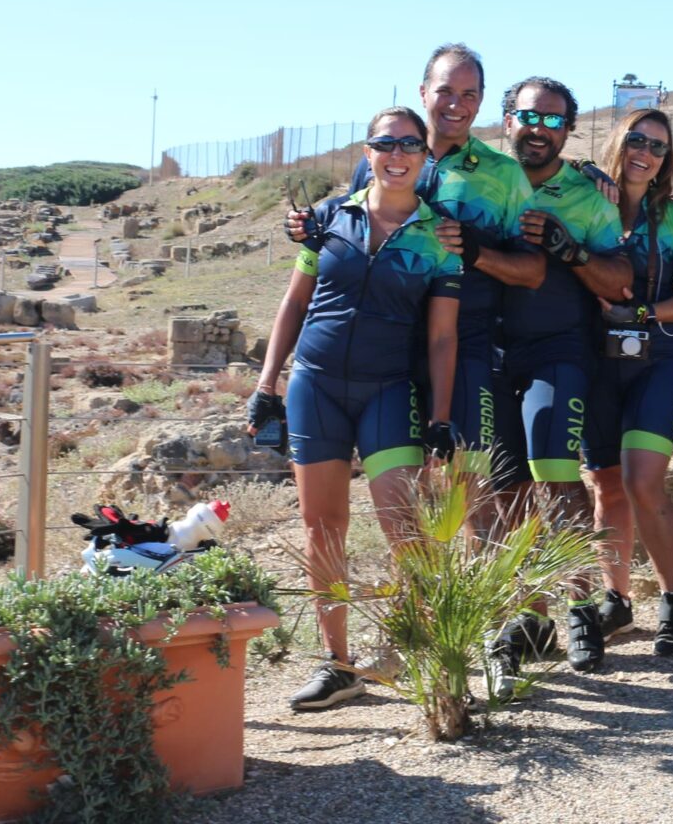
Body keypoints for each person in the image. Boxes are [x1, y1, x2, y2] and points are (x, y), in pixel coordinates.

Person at [248, 107, 460, 711]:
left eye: (410, 144)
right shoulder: (325, 219)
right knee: (323, 526)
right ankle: (338, 663)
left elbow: (443, 337)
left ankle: (421, 648)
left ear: (424, 157)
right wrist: (268, 384)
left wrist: (440, 417)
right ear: (367, 152)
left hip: (389, 388)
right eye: (385, 142)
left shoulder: (440, 236)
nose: (397, 153)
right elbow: (294, 303)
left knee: (404, 526)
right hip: (314, 386)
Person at [296, 44, 543, 490]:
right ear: (423, 91)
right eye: (446, 90)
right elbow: (340, 231)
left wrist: (477, 252)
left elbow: (534, 271)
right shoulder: (381, 158)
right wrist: (301, 224)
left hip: (465, 346)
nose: (457, 104)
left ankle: (475, 564)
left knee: (471, 493)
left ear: (482, 100)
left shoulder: (503, 175)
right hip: (387, 355)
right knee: (408, 501)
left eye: (470, 94)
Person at [482, 77, 635, 694]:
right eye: (526, 115)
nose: (536, 128)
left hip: (559, 352)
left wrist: (572, 252)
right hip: (487, 355)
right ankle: (529, 617)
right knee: (509, 493)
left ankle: (579, 612)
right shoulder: (480, 176)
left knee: (558, 477)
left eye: (551, 120)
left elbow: (620, 281)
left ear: (569, 131)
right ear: (507, 119)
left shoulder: (588, 192)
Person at [585, 108, 673, 656]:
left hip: (658, 362)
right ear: (619, 142)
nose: (646, 153)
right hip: (594, 366)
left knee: (641, 480)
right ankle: (615, 600)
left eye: (658, 148)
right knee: (605, 485)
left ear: (666, 162)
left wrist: (642, 315)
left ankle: (672, 598)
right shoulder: (585, 200)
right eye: (637, 140)